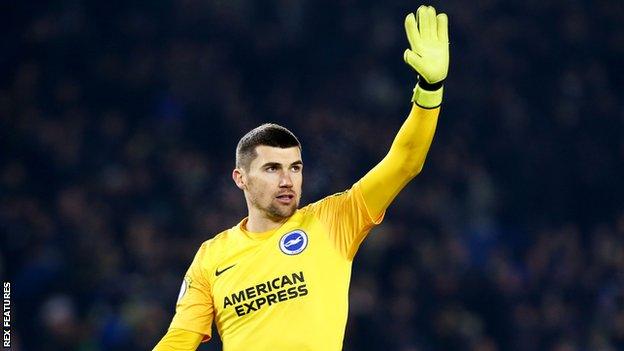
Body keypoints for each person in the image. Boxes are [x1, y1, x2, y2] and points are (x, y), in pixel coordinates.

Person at [153, 5, 449, 350]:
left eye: (295, 167)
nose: (287, 180)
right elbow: (180, 339)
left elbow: (404, 162)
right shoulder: (212, 257)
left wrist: (430, 89)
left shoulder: (333, 220)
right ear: (240, 178)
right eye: (272, 168)